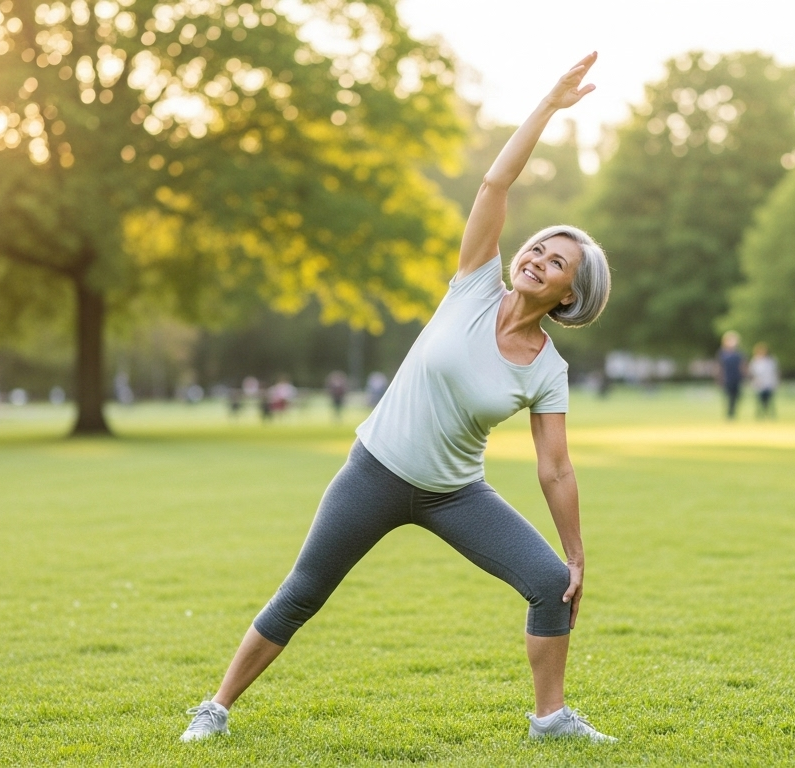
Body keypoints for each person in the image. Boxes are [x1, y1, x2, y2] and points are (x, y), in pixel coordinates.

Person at [180, 53, 616, 745]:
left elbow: (556, 467)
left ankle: (550, 719)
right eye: (536, 248)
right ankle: (216, 707)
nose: (535, 258)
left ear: (570, 295)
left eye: (556, 262)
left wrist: (576, 557)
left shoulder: (548, 369)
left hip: (455, 494)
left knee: (546, 583)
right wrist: (547, 106)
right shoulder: (475, 282)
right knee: (303, 591)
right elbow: (496, 180)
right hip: (375, 471)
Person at [748, 342, 779, 419]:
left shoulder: (771, 361)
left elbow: (775, 371)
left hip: (769, 383)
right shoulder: (755, 361)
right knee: (760, 401)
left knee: (769, 400)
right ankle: (760, 415)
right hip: (759, 384)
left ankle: (770, 415)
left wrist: (776, 381)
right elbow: (752, 372)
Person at [717, 331, 744, 419]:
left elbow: (742, 366)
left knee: (737, 397)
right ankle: (729, 413)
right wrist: (719, 378)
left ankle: (733, 412)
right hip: (727, 379)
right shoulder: (722, 353)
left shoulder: (739, 354)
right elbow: (719, 367)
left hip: (737, 378)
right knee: (728, 397)